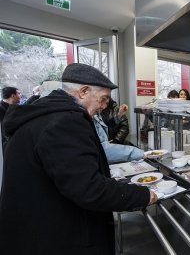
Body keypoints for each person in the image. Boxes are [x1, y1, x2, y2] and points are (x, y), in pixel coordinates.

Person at [0, 63, 157, 254]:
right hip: (53, 239)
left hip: (33, 230)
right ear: (83, 92)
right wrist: (141, 194)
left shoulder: (46, 115)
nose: (104, 105)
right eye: (103, 99)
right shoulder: (65, 121)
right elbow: (89, 188)